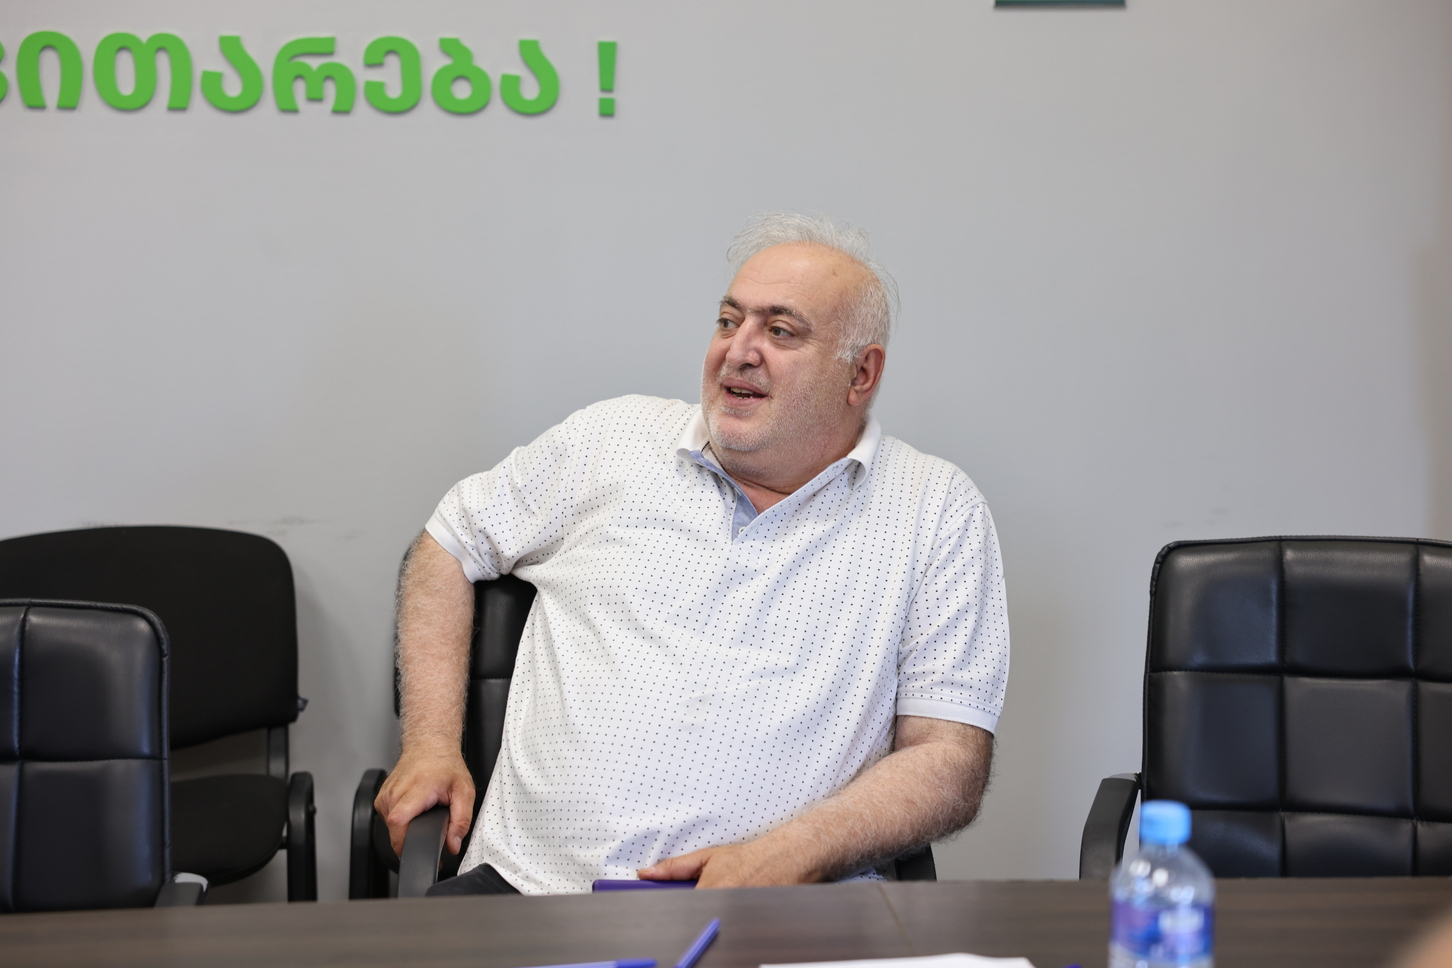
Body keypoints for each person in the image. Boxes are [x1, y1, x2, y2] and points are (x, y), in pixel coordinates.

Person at [375, 213, 1010, 895]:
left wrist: (794, 854)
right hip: (533, 894)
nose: (738, 352)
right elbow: (448, 542)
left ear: (861, 374)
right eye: (728, 321)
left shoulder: (935, 508)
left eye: (780, 331)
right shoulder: (611, 440)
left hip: (789, 911)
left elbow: (948, 759)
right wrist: (431, 744)